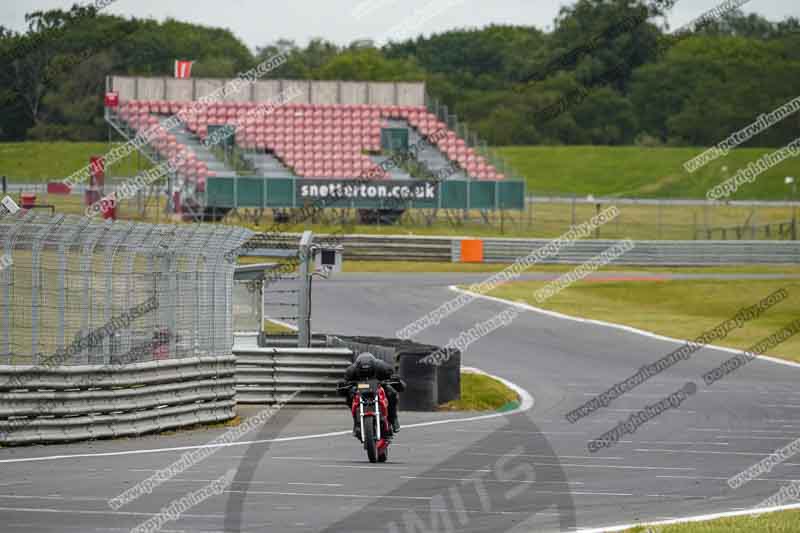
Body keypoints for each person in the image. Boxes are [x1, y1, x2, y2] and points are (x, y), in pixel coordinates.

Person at [342, 352, 401, 436]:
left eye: (368, 372)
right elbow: (345, 382)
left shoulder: (382, 367)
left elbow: (392, 375)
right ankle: (356, 423)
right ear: (358, 368)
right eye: (363, 372)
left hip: (379, 385)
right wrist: (345, 386)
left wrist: (393, 379)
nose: (366, 374)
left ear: (373, 367)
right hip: (360, 387)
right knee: (349, 395)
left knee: (392, 393)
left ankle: (393, 418)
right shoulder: (351, 370)